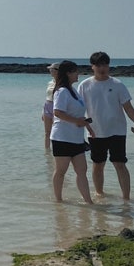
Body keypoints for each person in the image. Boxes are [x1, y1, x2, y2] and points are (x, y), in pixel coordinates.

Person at [78, 51, 134, 201]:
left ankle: (126, 199)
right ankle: (99, 194)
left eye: (105, 65)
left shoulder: (117, 84)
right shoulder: (84, 85)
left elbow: (127, 106)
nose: (102, 68)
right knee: (98, 164)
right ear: (92, 66)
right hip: (96, 132)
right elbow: (79, 108)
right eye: (99, 65)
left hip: (117, 131)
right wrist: (81, 125)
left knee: (120, 164)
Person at [50, 60, 95, 204]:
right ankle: (59, 201)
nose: (78, 74)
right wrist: (77, 121)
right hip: (62, 137)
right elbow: (58, 112)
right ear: (68, 73)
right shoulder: (62, 91)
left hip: (77, 138)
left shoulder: (73, 90)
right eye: (75, 71)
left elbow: (77, 115)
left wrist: (87, 126)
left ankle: (88, 201)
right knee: (61, 171)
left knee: (82, 170)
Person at [42, 62, 59, 149]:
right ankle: (47, 153)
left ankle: (56, 151)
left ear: (57, 71)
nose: (50, 71)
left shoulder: (62, 83)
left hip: (57, 107)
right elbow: (47, 96)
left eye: (51, 69)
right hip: (47, 105)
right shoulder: (50, 82)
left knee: (56, 132)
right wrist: (43, 111)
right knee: (47, 132)